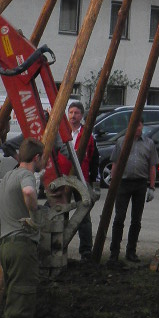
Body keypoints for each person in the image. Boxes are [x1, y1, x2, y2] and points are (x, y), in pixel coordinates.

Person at [0, 138, 45, 318]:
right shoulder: (26, 176)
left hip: (7, 245)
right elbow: (29, 192)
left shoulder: (8, 177)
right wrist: (34, 214)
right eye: (42, 159)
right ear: (36, 158)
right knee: (20, 302)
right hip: (22, 246)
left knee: (14, 299)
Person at [109, 117, 155, 264]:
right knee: (119, 218)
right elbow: (115, 163)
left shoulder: (149, 143)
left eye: (138, 125)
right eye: (133, 125)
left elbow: (152, 166)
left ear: (142, 126)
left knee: (136, 220)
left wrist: (152, 187)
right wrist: (113, 183)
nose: (136, 128)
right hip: (123, 183)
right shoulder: (121, 142)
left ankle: (131, 252)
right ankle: (114, 253)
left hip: (140, 184)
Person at [62, 99, 98, 258]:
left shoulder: (88, 135)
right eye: (70, 112)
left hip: (81, 178)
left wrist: (92, 181)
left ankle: (86, 250)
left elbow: (94, 158)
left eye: (76, 113)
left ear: (81, 115)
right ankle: (59, 247)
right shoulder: (61, 132)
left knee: (84, 214)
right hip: (63, 178)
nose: (73, 116)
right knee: (61, 212)